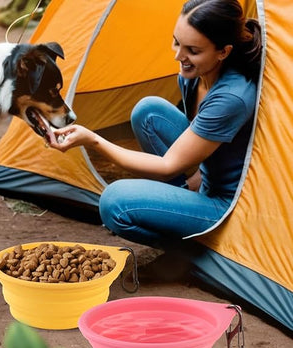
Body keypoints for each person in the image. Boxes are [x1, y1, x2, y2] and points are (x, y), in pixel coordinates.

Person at [50, 0, 262, 250]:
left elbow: (167, 165)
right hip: (208, 178)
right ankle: (178, 212)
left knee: (115, 202)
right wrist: (192, 185)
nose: (178, 56)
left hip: (226, 205)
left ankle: (197, 250)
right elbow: (203, 150)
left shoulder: (232, 97)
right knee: (148, 111)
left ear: (223, 52)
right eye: (176, 42)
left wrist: (93, 140)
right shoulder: (196, 76)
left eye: (192, 50)